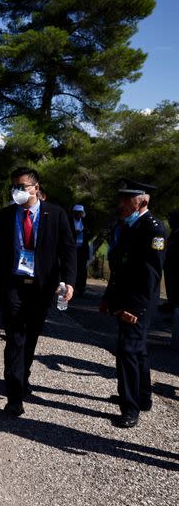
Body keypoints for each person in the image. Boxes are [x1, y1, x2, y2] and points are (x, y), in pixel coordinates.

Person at [0, 167, 76, 417]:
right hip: (12, 285)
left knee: (31, 335)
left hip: (41, 287)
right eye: (13, 187)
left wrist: (69, 281)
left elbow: (68, 249)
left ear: (36, 188)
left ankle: (23, 377)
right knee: (15, 336)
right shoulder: (4, 216)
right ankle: (14, 396)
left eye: (22, 187)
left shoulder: (55, 214)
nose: (17, 191)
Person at [100, 179, 166, 428]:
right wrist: (108, 298)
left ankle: (130, 408)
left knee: (128, 351)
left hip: (138, 303)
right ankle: (143, 397)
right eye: (122, 199)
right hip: (124, 299)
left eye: (128, 200)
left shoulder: (154, 229)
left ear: (144, 201)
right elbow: (118, 269)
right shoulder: (129, 226)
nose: (122, 204)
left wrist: (135, 309)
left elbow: (151, 274)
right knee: (137, 350)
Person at [161, 210, 179, 311]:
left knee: (175, 285)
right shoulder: (174, 232)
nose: (169, 222)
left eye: (171, 220)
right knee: (170, 284)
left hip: (175, 265)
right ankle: (171, 303)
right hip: (170, 264)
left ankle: (174, 306)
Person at [72, 204, 90, 297]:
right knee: (73, 268)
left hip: (82, 249)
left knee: (82, 270)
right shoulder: (70, 222)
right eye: (77, 213)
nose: (78, 214)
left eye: (80, 213)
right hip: (73, 249)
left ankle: (81, 288)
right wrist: (75, 233)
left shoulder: (84, 222)